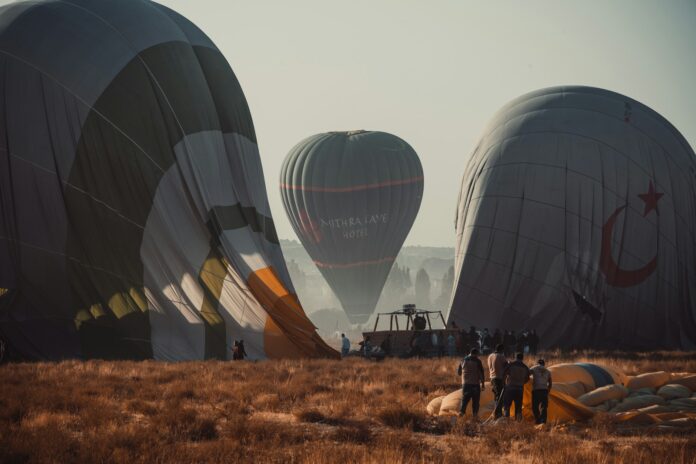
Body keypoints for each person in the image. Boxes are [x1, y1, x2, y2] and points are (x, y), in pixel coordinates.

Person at [457, 348, 485, 419]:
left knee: (464, 401)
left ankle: (461, 415)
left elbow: (459, 373)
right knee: (475, 403)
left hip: (465, 384)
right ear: (476, 354)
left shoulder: (463, 360)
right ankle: (475, 417)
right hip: (475, 385)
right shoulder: (478, 361)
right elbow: (481, 373)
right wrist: (483, 384)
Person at [502, 352, 530, 420]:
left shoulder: (511, 365)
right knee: (518, 407)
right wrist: (521, 382)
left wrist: (504, 384)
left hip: (510, 388)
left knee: (507, 405)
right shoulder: (525, 367)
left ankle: (506, 420)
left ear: (516, 357)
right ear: (522, 358)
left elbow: (504, 373)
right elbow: (527, 379)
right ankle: (518, 422)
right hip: (520, 389)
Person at [487, 344, 508, 418]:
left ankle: (496, 413)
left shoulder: (490, 356)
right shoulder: (501, 356)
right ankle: (498, 414)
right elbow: (506, 366)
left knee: (496, 396)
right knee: (500, 396)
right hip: (499, 378)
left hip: (492, 378)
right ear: (501, 350)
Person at [530, 359, 552, 424]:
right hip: (544, 390)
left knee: (535, 406)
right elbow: (550, 383)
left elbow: (527, 373)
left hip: (536, 390)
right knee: (544, 407)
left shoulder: (534, 368)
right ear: (544, 364)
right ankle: (543, 422)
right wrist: (548, 391)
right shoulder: (548, 371)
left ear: (537, 363)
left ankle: (537, 420)